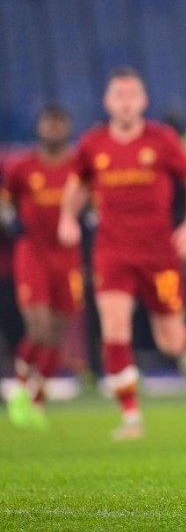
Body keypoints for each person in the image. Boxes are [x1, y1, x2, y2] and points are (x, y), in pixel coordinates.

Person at [58, 67, 186, 440]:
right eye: (119, 95)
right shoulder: (93, 144)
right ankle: (130, 417)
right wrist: (67, 218)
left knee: (169, 338)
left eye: (132, 95)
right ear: (108, 102)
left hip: (159, 255)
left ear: (143, 101)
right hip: (112, 253)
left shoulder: (162, 140)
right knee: (114, 328)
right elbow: (76, 184)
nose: (126, 103)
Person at [1, 105, 83, 430]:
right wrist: (10, 220)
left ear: (67, 128)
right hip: (32, 253)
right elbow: (5, 200)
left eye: (58, 124)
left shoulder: (78, 167)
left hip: (67, 257)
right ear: (39, 128)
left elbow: (93, 198)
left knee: (58, 332)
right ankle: (20, 386)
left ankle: (37, 401)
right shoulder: (23, 167)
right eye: (48, 124)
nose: (53, 129)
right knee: (38, 326)